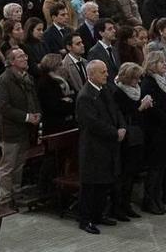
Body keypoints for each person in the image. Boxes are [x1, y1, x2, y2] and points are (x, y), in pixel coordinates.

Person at [75, 60, 126, 234]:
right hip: (93, 147)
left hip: (108, 144)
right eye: (102, 72)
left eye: (106, 71)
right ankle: (85, 219)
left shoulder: (105, 90)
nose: (107, 74)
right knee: (91, 185)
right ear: (91, 74)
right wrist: (114, 132)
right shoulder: (85, 96)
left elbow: (116, 111)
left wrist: (122, 126)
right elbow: (92, 124)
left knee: (104, 183)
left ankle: (98, 214)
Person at [0, 48, 40, 208]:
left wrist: (37, 113)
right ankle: (5, 199)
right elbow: (3, 107)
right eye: (21, 57)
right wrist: (27, 117)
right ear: (11, 61)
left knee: (20, 164)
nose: (25, 58)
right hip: (10, 130)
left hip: (25, 129)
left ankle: (16, 192)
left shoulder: (27, 77)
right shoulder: (3, 81)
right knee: (8, 166)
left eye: (25, 55)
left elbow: (33, 97)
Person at [139, 51, 166, 215]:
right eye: (161, 62)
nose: (165, 64)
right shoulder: (149, 83)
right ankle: (150, 200)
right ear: (152, 65)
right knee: (155, 168)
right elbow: (154, 109)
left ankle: (158, 198)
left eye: (165, 61)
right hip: (156, 131)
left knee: (163, 167)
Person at [112, 62, 149, 221]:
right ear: (127, 78)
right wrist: (141, 107)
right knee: (124, 175)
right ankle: (118, 207)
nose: (138, 81)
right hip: (126, 139)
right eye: (134, 79)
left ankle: (127, 205)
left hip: (138, 135)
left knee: (132, 173)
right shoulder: (118, 93)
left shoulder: (137, 90)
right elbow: (126, 113)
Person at [35, 53, 76, 135]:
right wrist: (68, 101)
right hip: (55, 125)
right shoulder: (45, 83)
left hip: (70, 122)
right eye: (60, 64)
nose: (63, 67)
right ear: (53, 66)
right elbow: (54, 105)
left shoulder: (64, 79)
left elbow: (75, 95)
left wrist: (69, 99)